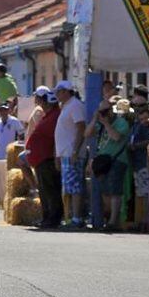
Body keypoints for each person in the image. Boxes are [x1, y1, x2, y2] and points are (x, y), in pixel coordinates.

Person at [87, 97, 132, 230]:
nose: (104, 114)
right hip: (103, 162)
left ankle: (113, 222)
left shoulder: (121, 122)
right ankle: (109, 218)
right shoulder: (99, 122)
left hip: (117, 160)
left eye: (106, 111)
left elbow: (116, 137)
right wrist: (95, 119)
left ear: (112, 111)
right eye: (102, 111)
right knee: (105, 191)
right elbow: (87, 133)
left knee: (114, 191)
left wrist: (106, 124)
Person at [53, 82, 87, 228]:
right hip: (65, 153)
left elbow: (81, 128)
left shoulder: (75, 105)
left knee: (75, 187)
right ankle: (71, 217)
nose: (56, 94)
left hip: (72, 153)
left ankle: (77, 218)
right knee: (69, 187)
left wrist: (75, 150)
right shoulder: (66, 106)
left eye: (59, 91)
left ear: (67, 92)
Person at [27, 95, 62, 228]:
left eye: (44, 103)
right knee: (44, 189)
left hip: (47, 158)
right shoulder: (48, 116)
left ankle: (53, 218)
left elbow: (55, 138)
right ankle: (46, 216)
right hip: (41, 158)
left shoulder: (55, 116)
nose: (42, 105)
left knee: (50, 190)